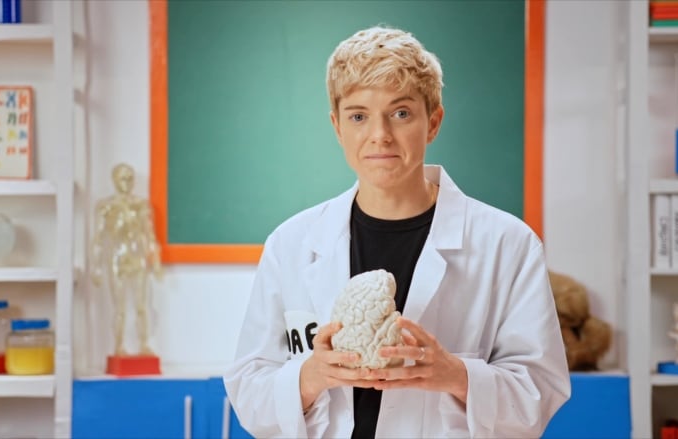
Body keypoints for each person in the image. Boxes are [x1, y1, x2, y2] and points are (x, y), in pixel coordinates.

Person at [223, 26, 570, 438]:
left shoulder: (507, 244)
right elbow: (249, 389)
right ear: (337, 126)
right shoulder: (292, 244)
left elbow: (540, 393)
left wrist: (455, 374)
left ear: (434, 121)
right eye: (358, 116)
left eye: (401, 113)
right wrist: (310, 376)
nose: (380, 135)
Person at [91, 163, 163, 357]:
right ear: (115, 180)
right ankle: (119, 346)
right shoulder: (106, 207)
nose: (127, 183)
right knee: (119, 307)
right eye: (123, 178)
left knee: (141, 305)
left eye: (130, 178)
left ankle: (144, 344)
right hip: (117, 258)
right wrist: (96, 267)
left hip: (137, 257)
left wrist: (155, 261)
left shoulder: (141, 205)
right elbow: (98, 238)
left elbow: (150, 235)